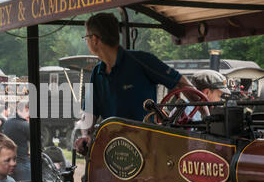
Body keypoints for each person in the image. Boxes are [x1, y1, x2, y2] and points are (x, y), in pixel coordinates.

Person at [75, 12, 197, 154]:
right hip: (112, 151)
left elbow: (182, 85)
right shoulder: (97, 73)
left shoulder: (141, 61)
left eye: (86, 37)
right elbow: (89, 114)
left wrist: (208, 114)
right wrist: (85, 136)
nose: (87, 41)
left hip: (145, 150)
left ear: (94, 39)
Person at [1, 100, 30, 182]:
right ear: (26, 109)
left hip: (7, 161)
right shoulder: (25, 125)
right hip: (22, 162)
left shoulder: (7, 122)